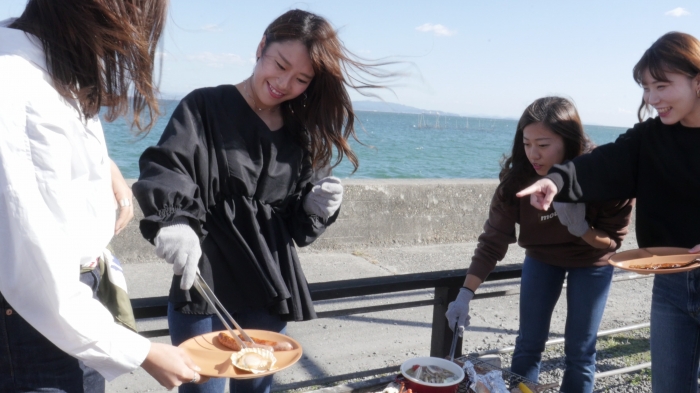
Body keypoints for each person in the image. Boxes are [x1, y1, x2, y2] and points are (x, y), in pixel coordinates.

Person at [132, 9, 396, 393]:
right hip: (204, 281)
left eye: (301, 79)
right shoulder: (204, 106)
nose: (284, 83)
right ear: (261, 48)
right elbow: (168, 164)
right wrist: (174, 220)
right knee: (200, 388)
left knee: (258, 388)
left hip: (266, 285)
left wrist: (314, 207)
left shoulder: (301, 132)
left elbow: (295, 224)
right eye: (280, 65)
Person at [0, 1, 206, 391]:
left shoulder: (43, 58)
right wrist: (142, 352)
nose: (128, 38)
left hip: (71, 306)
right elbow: (34, 274)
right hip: (34, 319)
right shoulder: (15, 81)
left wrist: (105, 166)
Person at [517, 32, 700, 393]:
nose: (652, 99)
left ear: (698, 81)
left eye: (662, 86)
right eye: (646, 88)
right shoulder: (650, 137)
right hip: (672, 283)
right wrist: (555, 181)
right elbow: (603, 164)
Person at [445, 97, 633, 393]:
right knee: (528, 343)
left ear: (570, 142)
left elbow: (611, 241)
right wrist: (465, 294)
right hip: (542, 258)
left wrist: (580, 227)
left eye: (543, 145)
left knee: (580, 351)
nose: (534, 153)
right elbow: (493, 241)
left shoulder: (604, 174)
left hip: (592, 260)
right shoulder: (518, 179)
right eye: (526, 143)